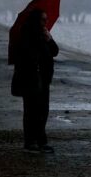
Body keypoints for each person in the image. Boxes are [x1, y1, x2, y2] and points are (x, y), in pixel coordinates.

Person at [16, 9, 59, 153]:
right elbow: (26, 56)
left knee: (43, 110)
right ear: (35, 20)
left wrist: (49, 39)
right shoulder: (26, 34)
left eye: (46, 19)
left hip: (44, 77)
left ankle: (41, 140)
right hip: (31, 77)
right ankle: (30, 141)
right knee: (31, 110)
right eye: (43, 19)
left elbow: (55, 51)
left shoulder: (44, 33)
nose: (45, 22)